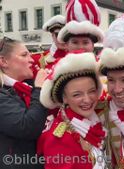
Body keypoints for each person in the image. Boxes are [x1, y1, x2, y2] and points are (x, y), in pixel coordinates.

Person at [38, 52, 108, 169]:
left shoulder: (97, 119)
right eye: (77, 95)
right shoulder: (59, 140)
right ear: (64, 98)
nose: (87, 100)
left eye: (91, 91)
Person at [0, 37, 48, 169]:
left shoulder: (24, 88)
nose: (32, 59)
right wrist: (40, 89)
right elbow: (27, 127)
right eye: (24, 55)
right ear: (4, 61)